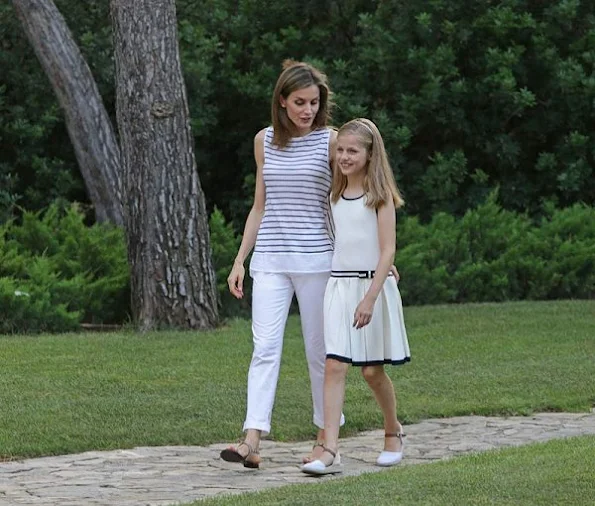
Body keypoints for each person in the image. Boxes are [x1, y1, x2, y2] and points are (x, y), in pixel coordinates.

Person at [219, 60, 344, 469]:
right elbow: (260, 206)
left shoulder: (331, 141)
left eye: (314, 102)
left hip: (318, 260)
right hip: (271, 259)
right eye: (300, 102)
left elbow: (344, 203)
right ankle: (252, 440)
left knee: (318, 352)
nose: (308, 110)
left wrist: (372, 256)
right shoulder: (264, 141)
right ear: (282, 102)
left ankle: (327, 440)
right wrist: (240, 259)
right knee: (264, 348)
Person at [301, 118, 411, 475]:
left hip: (371, 291)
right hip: (338, 287)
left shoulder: (380, 199)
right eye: (340, 150)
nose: (344, 156)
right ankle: (329, 449)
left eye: (353, 150)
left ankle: (392, 430)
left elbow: (387, 250)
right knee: (334, 364)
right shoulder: (334, 194)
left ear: (369, 154)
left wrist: (370, 298)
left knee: (371, 370)